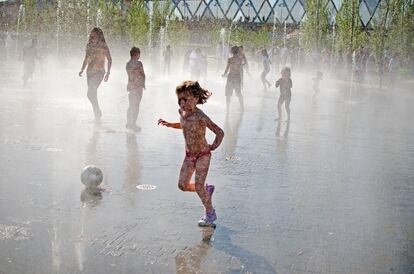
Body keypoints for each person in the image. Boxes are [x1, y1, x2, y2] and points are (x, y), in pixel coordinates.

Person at [158, 81, 224, 227]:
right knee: (182, 185)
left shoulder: (201, 116)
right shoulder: (181, 112)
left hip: (203, 155)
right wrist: (170, 124)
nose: (182, 103)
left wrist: (213, 146)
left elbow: (219, 132)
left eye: (185, 99)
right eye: (179, 100)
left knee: (198, 186)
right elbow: (183, 125)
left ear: (195, 98)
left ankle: (210, 213)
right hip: (189, 156)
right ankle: (206, 191)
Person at [79, 27, 112, 121]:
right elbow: (86, 58)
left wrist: (108, 73)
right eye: (91, 34)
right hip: (89, 72)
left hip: (99, 72)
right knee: (92, 94)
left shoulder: (103, 46)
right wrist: (82, 69)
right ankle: (97, 114)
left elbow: (109, 59)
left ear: (99, 36)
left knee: (90, 93)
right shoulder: (89, 45)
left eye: (94, 35)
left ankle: (97, 110)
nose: (92, 36)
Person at [125, 47, 146, 132]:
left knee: (131, 105)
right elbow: (143, 74)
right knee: (136, 106)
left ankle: (128, 123)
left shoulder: (128, 64)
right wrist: (143, 84)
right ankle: (133, 124)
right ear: (136, 54)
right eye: (139, 54)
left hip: (131, 86)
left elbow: (129, 75)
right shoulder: (139, 63)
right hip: (138, 87)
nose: (139, 56)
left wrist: (129, 84)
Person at [222, 46, 244, 112]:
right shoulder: (240, 59)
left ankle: (228, 108)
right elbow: (240, 70)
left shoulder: (230, 59)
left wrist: (224, 74)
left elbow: (227, 69)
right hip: (237, 77)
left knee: (228, 93)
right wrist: (241, 79)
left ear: (231, 52)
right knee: (238, 92)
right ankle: (242, 107)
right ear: (238, 52)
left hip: (231, 77)